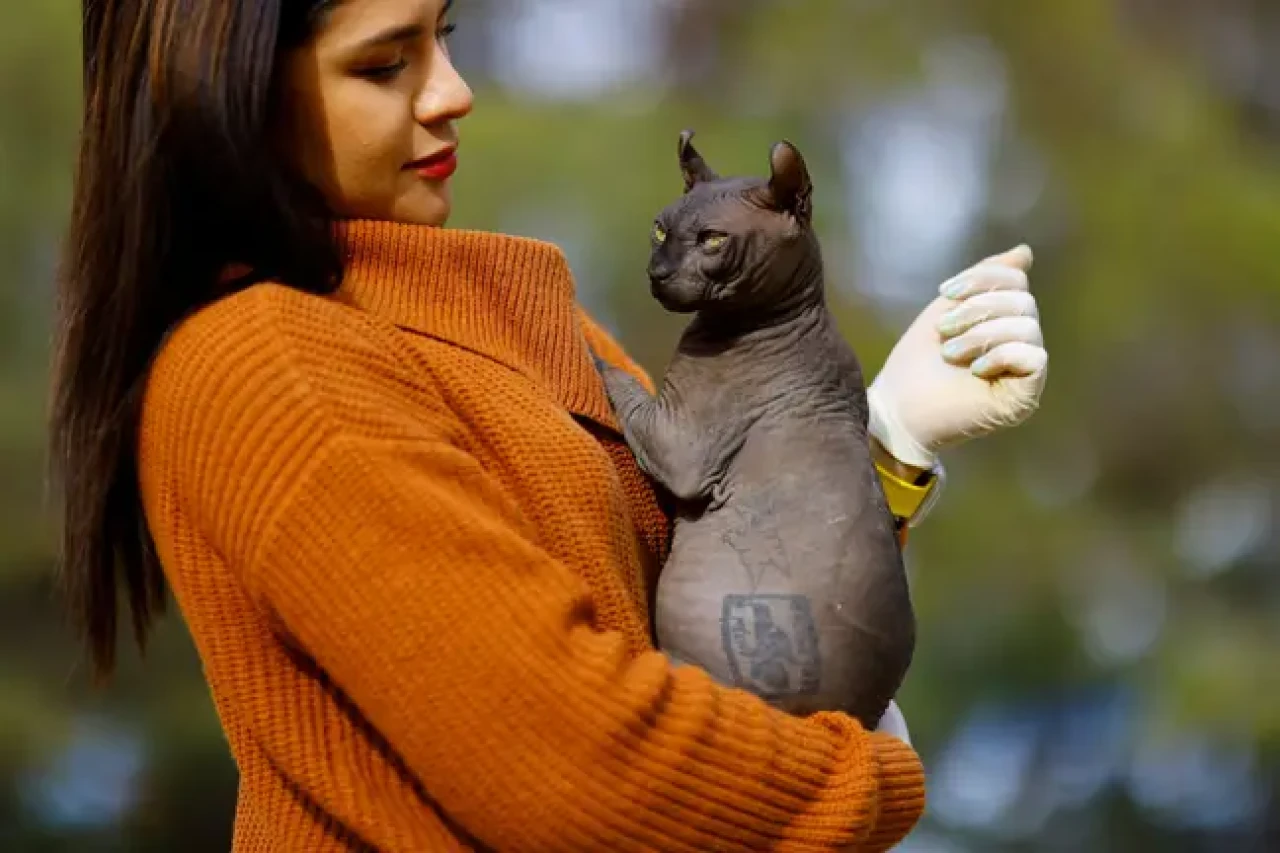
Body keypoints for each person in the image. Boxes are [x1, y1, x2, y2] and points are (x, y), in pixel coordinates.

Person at [50, 0, 1047, 850]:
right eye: (385, 63)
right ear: (226, 95)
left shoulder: (506, 316)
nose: (450, 92)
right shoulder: (271, 366)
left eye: (444, 35)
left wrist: (884, 441)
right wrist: (873, 780)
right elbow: (577, 769)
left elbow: (734, 604)